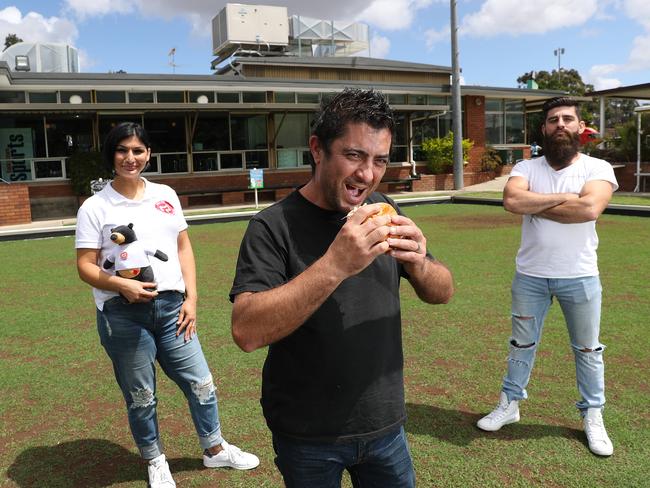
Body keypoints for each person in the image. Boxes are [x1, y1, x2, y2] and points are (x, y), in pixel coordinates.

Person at [229, 88, 454, 487]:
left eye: (379, 160)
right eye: (354, 156)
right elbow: (246, 331)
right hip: (307, 435)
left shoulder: (383, 210)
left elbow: (442, 291)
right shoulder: (272, 227)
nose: (367, 174)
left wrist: (419, 262)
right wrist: (335, 264)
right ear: (318, 149)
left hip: (385, 426)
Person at [75, 122, 259, 487]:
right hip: (122, 314)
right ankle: (155, 460)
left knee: (202, 383)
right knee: (142, 396)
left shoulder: (165, 195)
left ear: (149, 154)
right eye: (122, 150)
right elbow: (85, 266)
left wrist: (192, 299)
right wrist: (119, 286)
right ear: (112, 155)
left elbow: (183, 248)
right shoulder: (95, 207)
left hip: (173, 307)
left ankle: (215, 449)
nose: (131, 158)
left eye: (138, 150)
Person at [476, 97, 618, 457]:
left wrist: (538, 202)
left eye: (567, 119)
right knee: (520, 345)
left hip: (580, 275)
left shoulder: (598, 167)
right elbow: (512, 202)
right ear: (544, 129)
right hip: (531, 276)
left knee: (588, 350)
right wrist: (566, 198)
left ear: (580, 127)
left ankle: (593, 414)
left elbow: (589, 209)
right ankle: (510, 404)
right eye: (553, 119)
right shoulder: (527, 166)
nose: (559, 124)